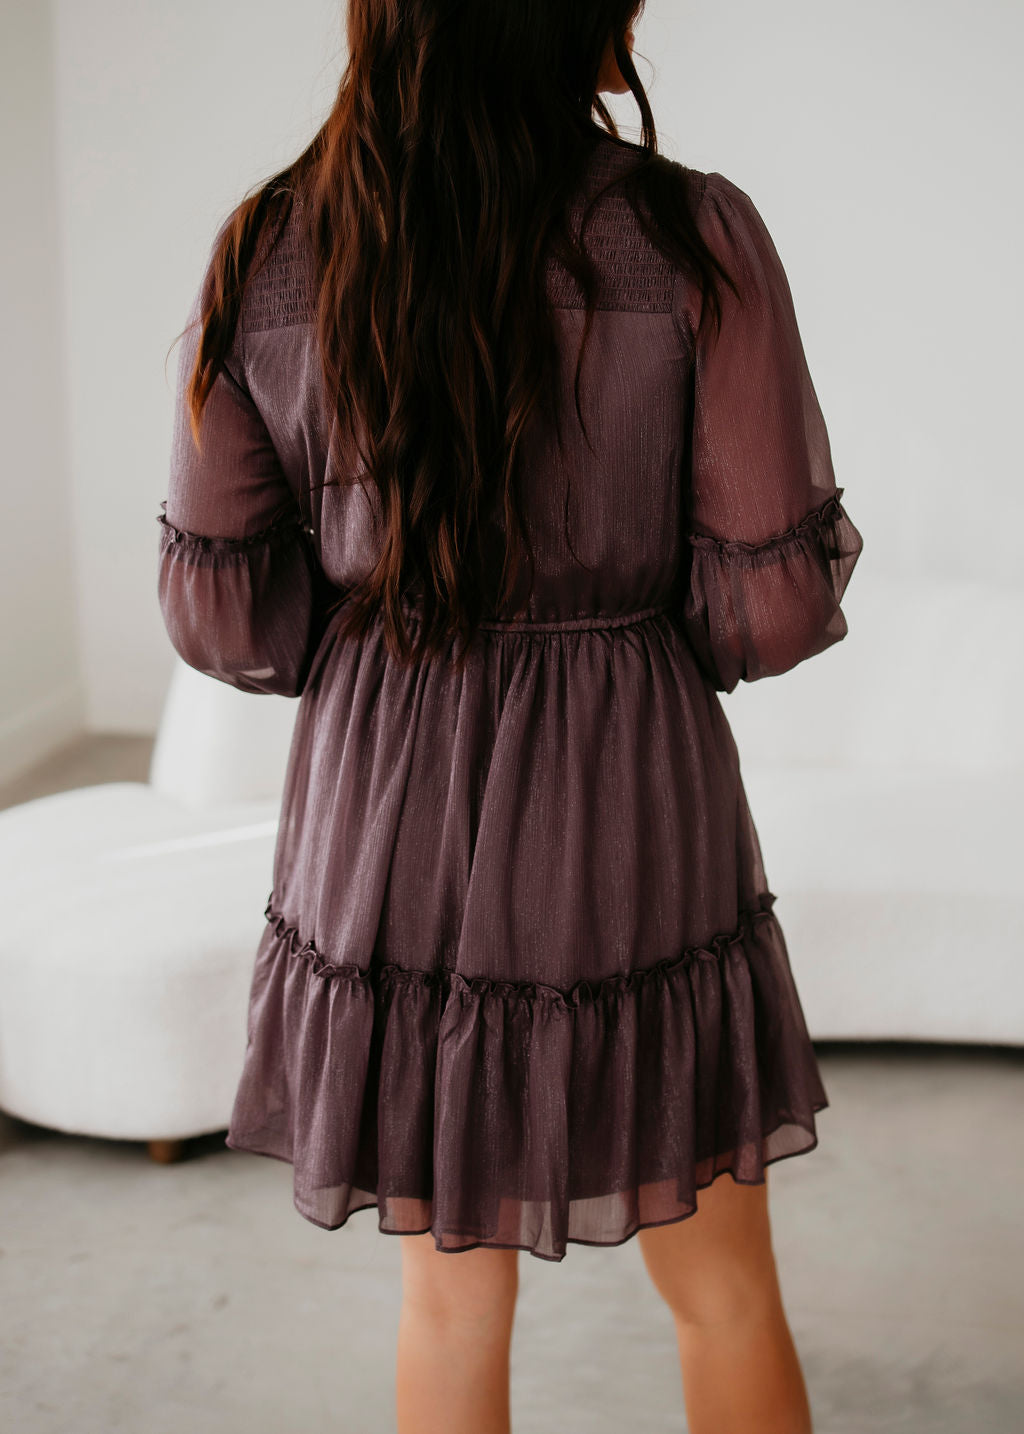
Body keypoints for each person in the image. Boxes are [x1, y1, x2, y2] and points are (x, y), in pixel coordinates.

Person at [156, 4, 864, 1431]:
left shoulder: (272, 246)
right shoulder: (689, 237)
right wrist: (627, 638)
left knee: (446, 1307)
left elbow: (227, 610)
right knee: (725, 1292)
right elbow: (771, 600)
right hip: (628, 791)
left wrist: (389, 635)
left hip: (390, 801)